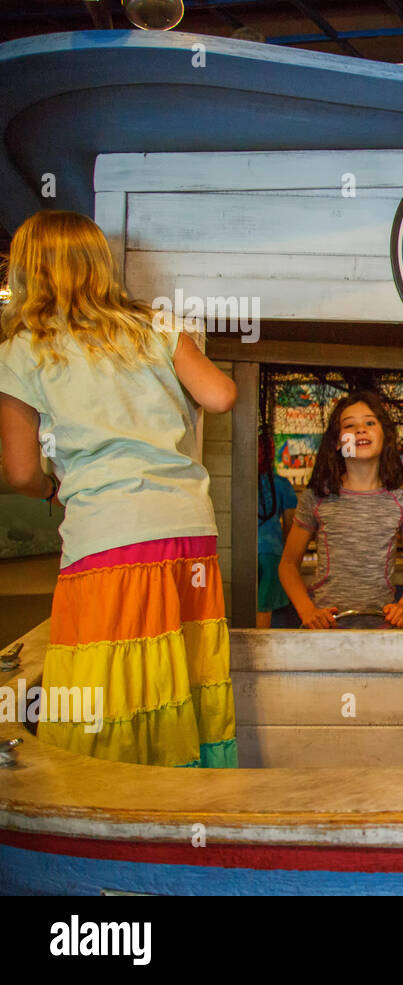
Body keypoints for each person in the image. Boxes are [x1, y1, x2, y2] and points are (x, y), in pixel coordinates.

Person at [0, 210, 238, 767]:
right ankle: (191, 800)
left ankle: (112, 810)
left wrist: (47, 489)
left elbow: (19, 471)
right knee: (182, 670)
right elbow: (222, 395)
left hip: (108, 536)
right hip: (187, 528)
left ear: (29, 270)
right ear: (99, 264)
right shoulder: (154, 326)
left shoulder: (22, 348)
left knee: (105, 688)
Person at [279, 390, 403, 629]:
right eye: (350, 425)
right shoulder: (317, 497)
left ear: (385, 436)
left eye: (370, 422)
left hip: (382, 627)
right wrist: (307, 610)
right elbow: (287, 564)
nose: (361, 429)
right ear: (338, 443)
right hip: (328, 629)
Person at [257, 430, 298, 628]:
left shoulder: (241, 482)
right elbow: (291, 524)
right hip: (272, 552)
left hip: (244, 553)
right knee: (264, 609)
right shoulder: (281, 484)